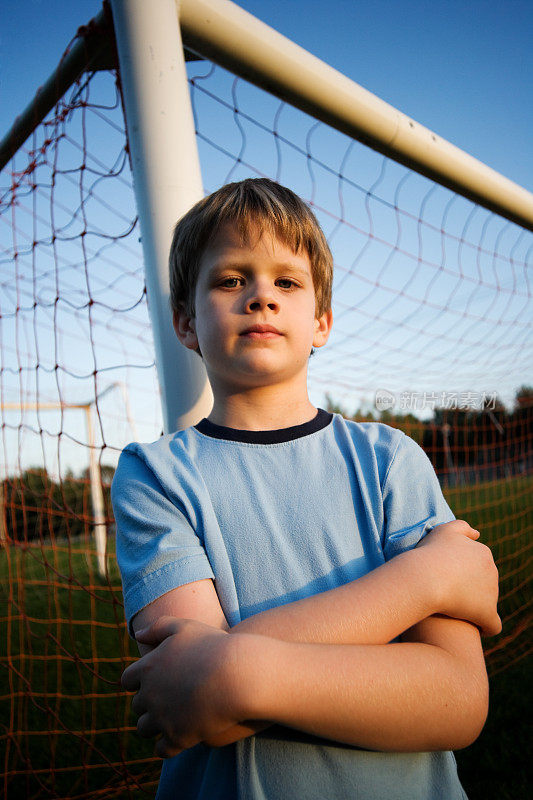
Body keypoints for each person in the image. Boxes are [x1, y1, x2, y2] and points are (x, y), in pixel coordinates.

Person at [112, 178, 500, 800]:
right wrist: (424, 580)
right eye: (231, 279)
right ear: (185, 320)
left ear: (320, 320)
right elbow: (189, 696)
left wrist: (232, 671)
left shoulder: (388, 460)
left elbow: (456, 700)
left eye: (286, 282)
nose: (261, 295)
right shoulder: (153, 474)